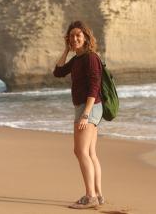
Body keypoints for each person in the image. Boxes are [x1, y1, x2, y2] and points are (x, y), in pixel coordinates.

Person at [53, 21, 105, 209]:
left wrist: (85, 114)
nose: (75, 39)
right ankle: (98, 195)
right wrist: (66, 51)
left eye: (78, 36)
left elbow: (94, 86)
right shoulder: (77, 59)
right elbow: (58, 72)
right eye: (71, 36)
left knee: (80, 151)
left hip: (89, 107)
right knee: (90, 153)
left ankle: (90, 196)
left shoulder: (91, 58)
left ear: (86, 38)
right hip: (89, 108)